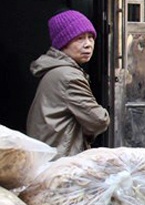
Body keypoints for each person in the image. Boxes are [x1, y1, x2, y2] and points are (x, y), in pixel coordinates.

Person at [27, 9, 109, 158]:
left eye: (91, 37)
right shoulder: (68, 76)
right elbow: (99, 120)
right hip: (61, 161)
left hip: (49, 157)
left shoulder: (56, 71)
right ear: (63, 43)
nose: (88, 44)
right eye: (79, 38)